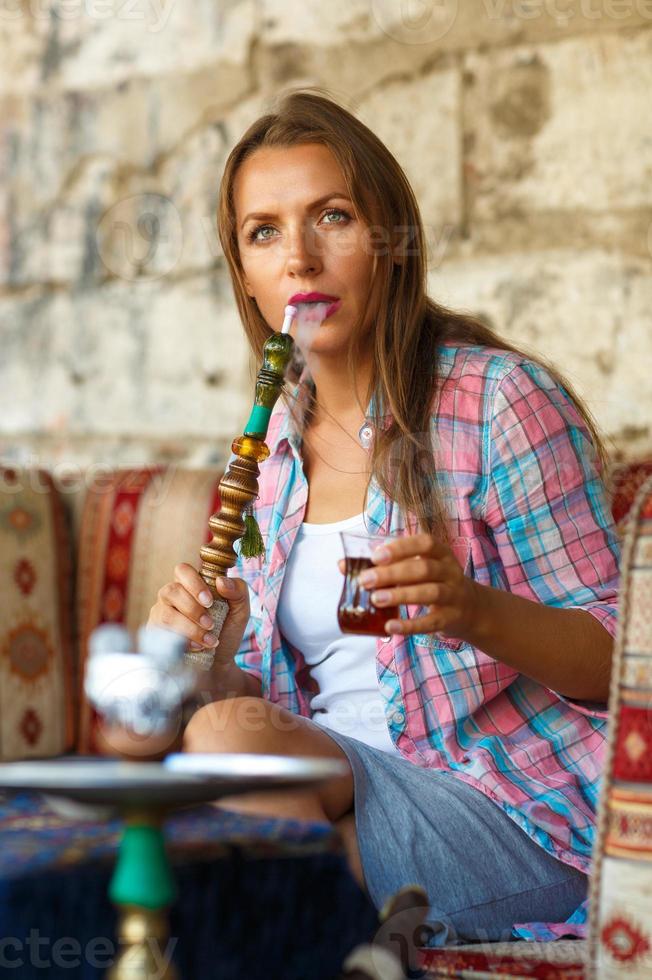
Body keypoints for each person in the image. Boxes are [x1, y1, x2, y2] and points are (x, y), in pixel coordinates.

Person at [148, 88, 620, 946]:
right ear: (248, 281)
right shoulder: (267, 459)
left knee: (227, 814)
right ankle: (352, 940)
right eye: (264, 232)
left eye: (331, 216)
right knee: (229, 745)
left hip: (515, 811)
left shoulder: (497, 402)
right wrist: (204, 660)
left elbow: (623, 663)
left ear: (391, 244)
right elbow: (267, 705)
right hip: (331, 788)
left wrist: (473, 611)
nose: (299, 257)